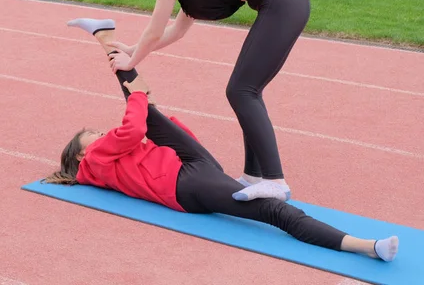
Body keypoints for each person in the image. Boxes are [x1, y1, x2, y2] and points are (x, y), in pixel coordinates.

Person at [43, 20, 399, 263]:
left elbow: (142, 131)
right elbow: (133, 131)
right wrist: (138, 98)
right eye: (97, 136)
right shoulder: (95, 159)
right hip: (185, 185)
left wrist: (145, 103)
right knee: (273, 211)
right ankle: (366, 247)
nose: (104, 135)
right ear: (84, 151)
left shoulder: (110, 157)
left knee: (146, 109)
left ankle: (106, 38)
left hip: (189, 165)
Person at [104, 0, 312, 202]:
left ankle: (275, 180)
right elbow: (175, 31)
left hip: (281, 0)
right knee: (248, 91)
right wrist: (133, 49)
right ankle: (253, 176)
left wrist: (131, 63)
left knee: (241, 91)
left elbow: (155, 29)